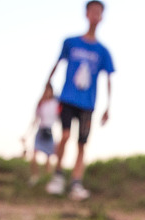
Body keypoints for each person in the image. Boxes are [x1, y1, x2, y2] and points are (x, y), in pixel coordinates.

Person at [44, 1, 114, 200]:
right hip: (67, 98)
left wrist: (108, 106)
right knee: (65, 135)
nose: (95, 15)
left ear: (102, 17)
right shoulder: (71, 42)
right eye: (93, 11)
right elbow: (56, 64)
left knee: (82, 143)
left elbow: (109, 79)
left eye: (99, 12)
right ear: (86, 14)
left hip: (88, 103)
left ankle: (76, 182)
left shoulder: (103, 51)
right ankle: (57, 176)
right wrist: (46, 88)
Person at [22, 85, 60, 184]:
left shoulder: (55, 103)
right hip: (40, 131)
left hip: (49, 132)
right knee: (33, 156)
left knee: (48, 158)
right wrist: (26, 134)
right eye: (46, 91)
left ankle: (47, 180)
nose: (47, 93)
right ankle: (35, 177)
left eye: (49, 91)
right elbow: (35, 120)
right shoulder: (41, 104)